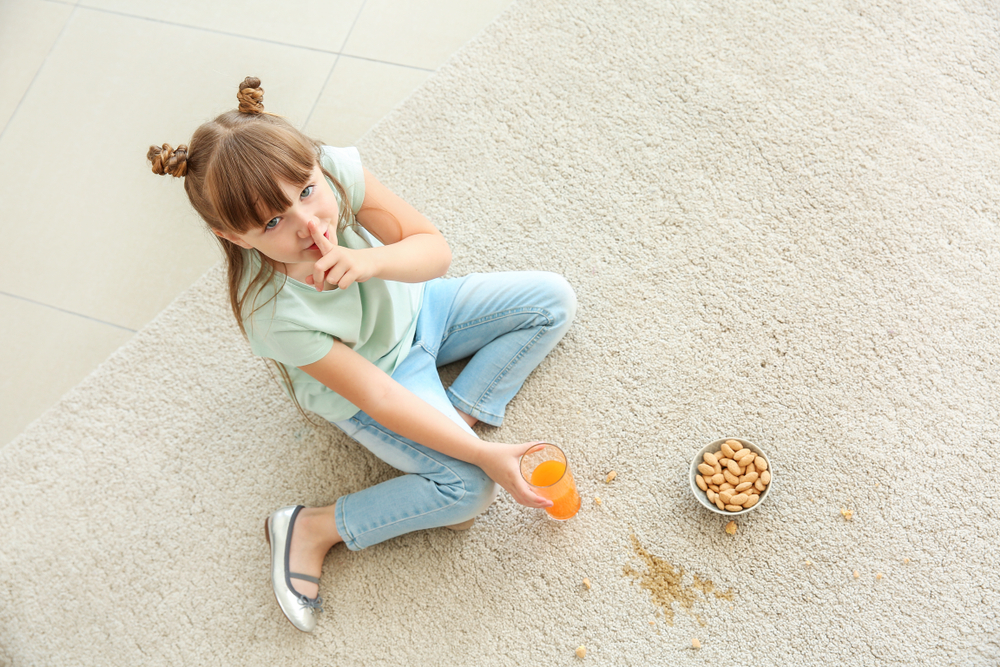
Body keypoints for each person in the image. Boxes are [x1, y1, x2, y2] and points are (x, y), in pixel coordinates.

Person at [147, 77, 576, 632]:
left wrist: (370, 264)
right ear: (231, 236)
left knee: (553, 300)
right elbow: (376, 394)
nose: (309, 224)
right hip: (376, 377)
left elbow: (434, 251)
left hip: (423, 308)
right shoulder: (272, 314)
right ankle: (313, 527)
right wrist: (482, 459)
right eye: (272, 223)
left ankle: (457, 415)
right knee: (470, 491)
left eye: (306, 191)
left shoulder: (330, 170)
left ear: (314, 167)